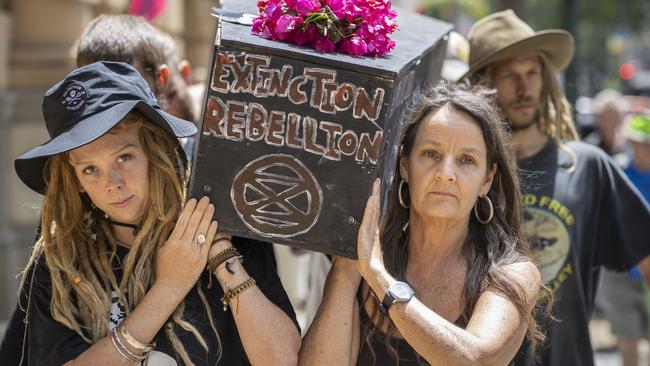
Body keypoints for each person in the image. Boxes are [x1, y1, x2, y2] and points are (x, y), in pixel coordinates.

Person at [10, 61, 300, 365]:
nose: (113, 184)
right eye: (90, 169)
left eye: (124, 157)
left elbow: (281, 359)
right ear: (76, 181)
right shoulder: (63, 261)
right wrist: (169, 287)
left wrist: (220, 255)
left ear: (154, 150)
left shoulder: (223, 227)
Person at [298, 82, 544, 365]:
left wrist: (379, 277)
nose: (445, 173)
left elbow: (475, 360)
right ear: (404, 165)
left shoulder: (511, 274)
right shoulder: (367, 261)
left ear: (486, 180)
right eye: (431, 154)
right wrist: (347, 267)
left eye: (466, 160)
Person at [461, 9, 650, 365]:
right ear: (482, 84)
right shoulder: (467, 174)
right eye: (509, 75)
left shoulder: (587, 167)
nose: (524, 86)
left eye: (532, 72)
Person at [597, 114, 650, 366]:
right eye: (640, 142)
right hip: (620, 272)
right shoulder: (616, 171)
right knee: (629, 338)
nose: (644, 148)